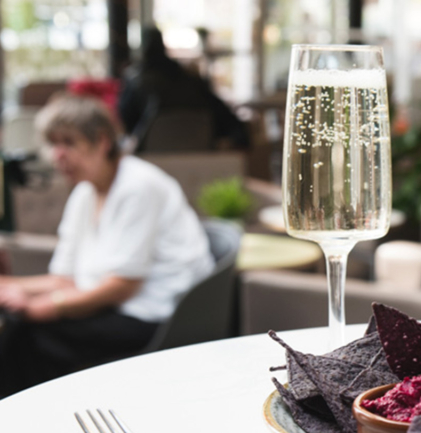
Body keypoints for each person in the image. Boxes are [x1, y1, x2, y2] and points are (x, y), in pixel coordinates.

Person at [0, 95, 214, 398]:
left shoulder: (138, 186)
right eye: (53, 144)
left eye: (68, 143)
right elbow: (64, 279)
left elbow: (123, 286)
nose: (57, 155)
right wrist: (11, 287)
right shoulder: (84, 194)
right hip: (113, 305)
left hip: (153, 314)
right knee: (17, 322)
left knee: (30, 334)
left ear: (101, 141)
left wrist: (46, 306)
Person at [118, 27, 249, 151]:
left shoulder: (136, 81)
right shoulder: (190, 80)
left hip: (152, 158)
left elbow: (125, 120)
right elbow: (227, 119)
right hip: (201, 156)